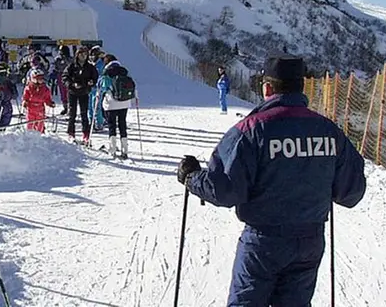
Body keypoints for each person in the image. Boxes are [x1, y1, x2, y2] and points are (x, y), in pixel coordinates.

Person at [176, 54, 366, 306]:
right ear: (301, 88)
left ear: (267, 88)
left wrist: (192, 177)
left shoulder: (251, 130)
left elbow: (224, 190)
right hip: (310, 241)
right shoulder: (328, 130)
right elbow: (351, 193)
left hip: (263, 242)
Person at [98, 54, 136, 159]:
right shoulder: (124, 71)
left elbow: (103, 87)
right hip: (125, 102)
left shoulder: (106, 73)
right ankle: (125, 150)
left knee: (112, 126)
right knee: (122, 124)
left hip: (111, 103)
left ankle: (112, 149)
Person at [62, 46, 98, 143]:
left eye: (85, 54)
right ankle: (71, 133)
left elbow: (95, 77)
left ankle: (85, 134)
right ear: (77, 55)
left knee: (84, 113)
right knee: (72, 113)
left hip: (84, 92)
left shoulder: (90, 67)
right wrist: (71, 84)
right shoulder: (72, 66)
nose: (83, 56)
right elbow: (64, 77)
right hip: (73, 92)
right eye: (81, 54)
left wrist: (92, 82)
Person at [22, 68, 54, 133]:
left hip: (40, 108)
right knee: (30, 123)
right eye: (38, 79)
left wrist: (50, 103)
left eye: (41, 79)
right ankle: (30, 135)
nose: (40, 81)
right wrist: (25, 102)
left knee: (40, 123)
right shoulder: (29, 87)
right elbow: (25, 96)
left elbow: (47, 98)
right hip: (31, 108)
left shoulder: (45, 89)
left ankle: (40, 134)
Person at [88, 46, 106, 131]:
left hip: (97, 88)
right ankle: (91, 122)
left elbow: (101, 76)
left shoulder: (101, 64)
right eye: (91, 55)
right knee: (89, 106)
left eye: (94, 55)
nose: (92, 57)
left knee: (96, 105)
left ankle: (99, 123)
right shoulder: (90, 64)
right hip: (89, 88)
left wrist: (96, 82)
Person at [52, 45, 71, 115]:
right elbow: (55, 67)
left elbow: (70, 65)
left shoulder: (69, 59)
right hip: (60, 75)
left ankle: (70, 107)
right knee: (62, 92)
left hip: (68, 76)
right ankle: (65, 107)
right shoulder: (58, 59)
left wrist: (65, 59)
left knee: (68, 92)